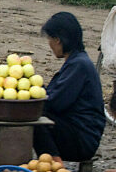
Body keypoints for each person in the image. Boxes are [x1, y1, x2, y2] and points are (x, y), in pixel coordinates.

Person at [33, 12, 106, 163]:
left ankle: (55, 166)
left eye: (49, 39)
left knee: (35, 118)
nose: (49, 44)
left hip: (82, 140)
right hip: (76, 132)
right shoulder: (77, 62)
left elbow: (55, 103)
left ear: (58, 40)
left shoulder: (79, 65)